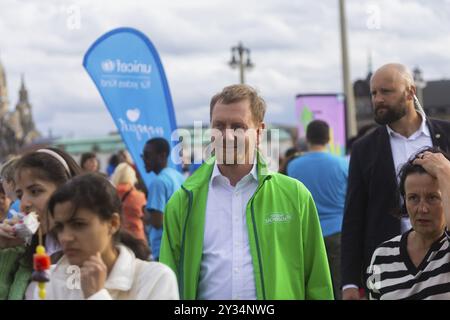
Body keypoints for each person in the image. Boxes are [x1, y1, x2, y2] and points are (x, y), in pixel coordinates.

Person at [159, 84, 333, 300]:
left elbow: (317, 282)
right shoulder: (183, 201)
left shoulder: (295, 196)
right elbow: (167, 285)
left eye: (238, 127)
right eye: (219, 126)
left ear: (259, 132)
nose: (227, 136)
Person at [341, 63, 450, 300]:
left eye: (386, 91)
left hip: (444, 262)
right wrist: (349, 281)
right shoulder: (364, 149)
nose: (377, 99)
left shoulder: (446, 133)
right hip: (390, 268)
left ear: (410, 92)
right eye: (373, 93)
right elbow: (353, 216)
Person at [31, 173, 178, 300]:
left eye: (78, 224)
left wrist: (96, 294)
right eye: (60, 227)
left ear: (113, 223)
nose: (65, 237)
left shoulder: (154, 279)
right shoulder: (47, 281)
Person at [367, 148, 450, 299]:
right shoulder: (382, 255)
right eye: (413, 198)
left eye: (433, 198)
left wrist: (445, 171)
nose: (422, 209)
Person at [0, 148, 82, 300]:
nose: (24, 204)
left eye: (35, 191)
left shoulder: (91, 253)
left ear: (67, 190)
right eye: (20, 195)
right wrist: (5, 252)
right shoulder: (25, 252)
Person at [287, 120, 348, 299]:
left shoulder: (294, 165)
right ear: (328, 138)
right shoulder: (343, 164)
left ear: (307, 138)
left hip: (305, 234)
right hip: (338, 231)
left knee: (310, 285)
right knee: (337, 285)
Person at [141, 138, 185, 261]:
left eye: (147, 155)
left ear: (162, 156)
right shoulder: (178, 176)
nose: (144, 160)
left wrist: (146, 216)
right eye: (143, 156)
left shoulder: (158, 182)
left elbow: (157, 222)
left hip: (163, 249)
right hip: (179, 244)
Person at [111, 162, 147, 242]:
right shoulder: (139, 196)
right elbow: (145, 216)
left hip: (118, 238)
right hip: (137, 237)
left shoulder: (110, 194)